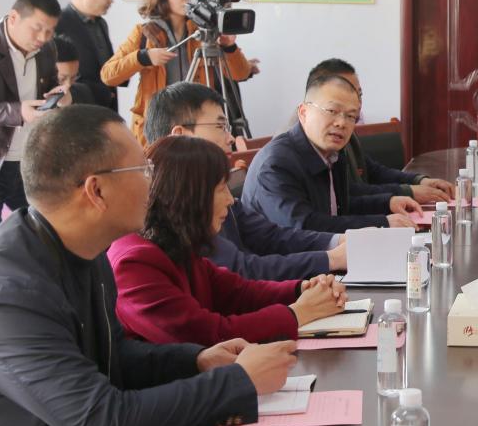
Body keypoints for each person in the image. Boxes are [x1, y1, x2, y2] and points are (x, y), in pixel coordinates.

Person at [0, 105, 298, 426]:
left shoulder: (85, 251)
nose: (153, 183)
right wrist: (238, 381)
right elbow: (106, 424)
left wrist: (196, 360)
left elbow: (113, 358)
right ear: (96, 190)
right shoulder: (9, 293)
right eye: (142, 170)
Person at [108, 136, 347, 346]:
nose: (230, 200)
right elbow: (208, 334)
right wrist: (298, 313)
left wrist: (301, 289)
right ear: (189, 196)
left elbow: (239, 292)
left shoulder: (176, 242)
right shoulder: (134, 263)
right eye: (221, 188)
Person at [144, 82, 347, 280]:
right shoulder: (176, 205)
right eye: (220, 126)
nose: (231, 138)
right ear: (180, 135)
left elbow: (273, 236)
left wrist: (339, 241)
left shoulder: (214, 191)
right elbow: (239, 270)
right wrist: (331, 259)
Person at [242, 73, 421, 232]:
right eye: (332, 111)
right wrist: (382, 223)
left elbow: (338, 207)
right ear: (303, 113)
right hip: (284, 258)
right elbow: (304, 226)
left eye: (351, 116)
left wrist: (388, 203)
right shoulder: (277, 163)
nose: (341, 123)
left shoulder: (333, 153)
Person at [100, 0, 252, 146]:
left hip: (199, 126)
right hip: (157, 128)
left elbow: (240, 74)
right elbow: (108, 75)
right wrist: (143, 57)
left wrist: (229, 48)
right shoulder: (144, 33)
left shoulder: (205, 32)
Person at [0, 0, 72, 235]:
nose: (43, 37)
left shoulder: (47, 48)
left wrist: (62, 97)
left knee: (47, 231)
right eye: (37, 28)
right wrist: (17, 112)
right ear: (13, 18)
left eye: (50, 31)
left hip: (29, 160)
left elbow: (50, 87)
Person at [305, 59, 455, 203]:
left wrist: (419, 180)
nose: (357, 102)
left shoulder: (346, 131)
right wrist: (408, 192)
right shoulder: (309, 146)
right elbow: (350, 195)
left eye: (358, 95)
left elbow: (373, 171)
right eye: (346, 92)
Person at [55, 0, 118, 110]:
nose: (111, 0)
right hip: (76, 109)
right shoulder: (58, 24)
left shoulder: (101, 23)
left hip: (105, 108)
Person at [52, 36, 94, 105]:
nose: (68, 85)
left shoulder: (83, 93)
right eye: (62, 79)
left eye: (73, 77)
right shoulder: (35, 96)